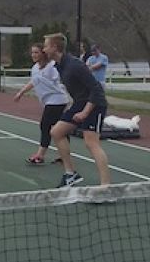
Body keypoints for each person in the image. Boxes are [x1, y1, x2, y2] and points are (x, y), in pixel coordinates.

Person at [43, 33, 110, 187]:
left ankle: (106, 187)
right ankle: (70, 174)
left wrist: (85, 112)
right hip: (80, 103)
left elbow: (96, 90)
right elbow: (79, 90)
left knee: (91, 143)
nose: (44, 50)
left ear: (54, 47)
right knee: (56, 132)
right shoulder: (59, 66)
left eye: (46, 46)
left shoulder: (75, 65)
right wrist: (73, 108)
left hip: (95, 104)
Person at [14, 44, 69, 164]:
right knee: (60, 127)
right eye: (32, 52)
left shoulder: (51, 67)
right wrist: (21, 92)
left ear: (43, 53)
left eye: (36, 52)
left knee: (45, 125)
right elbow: (33, 82)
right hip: (48, 101)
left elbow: (62, 79)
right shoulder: (34, 68)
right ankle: (64, 155)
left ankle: (40, 155)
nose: (33, 55)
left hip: (57, 100)